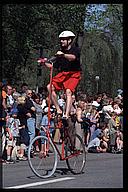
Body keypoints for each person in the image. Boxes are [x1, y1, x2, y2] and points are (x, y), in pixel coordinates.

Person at [40, 30, 81, 120]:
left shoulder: (75, 50)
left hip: (73, 74)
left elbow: (73, 58)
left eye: (64, 39)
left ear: (69, 40)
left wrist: (63, 55)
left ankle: (66, 114)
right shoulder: (60, 52)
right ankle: (58, 109)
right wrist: (44, 63)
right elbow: (53, 66)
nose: (61, 41)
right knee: (49, 87)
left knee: (68, 91)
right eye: (61, 40)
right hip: (63, 74)